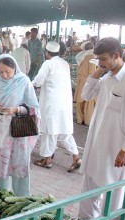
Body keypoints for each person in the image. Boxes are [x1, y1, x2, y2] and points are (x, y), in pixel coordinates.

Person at [78, 37, 125, 220]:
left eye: (103, 59)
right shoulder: (106, 78)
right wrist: (98, 71)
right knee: (89, 192)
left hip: (116, 150)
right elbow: (85, 95)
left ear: (117, 55)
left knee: (113, 198)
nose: (100, 63)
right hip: (96, 145)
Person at [0, 54, 40, 196]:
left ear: (15, 69)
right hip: (0, 129)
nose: (4, 75)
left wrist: (16, 109)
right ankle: (4, 193)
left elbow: (33, 107)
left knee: (18, 162)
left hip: (18, 129)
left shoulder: (24, 81)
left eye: (8, 72)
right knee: (2, 161)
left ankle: (22, 197)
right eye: (1, 71)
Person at [32, 41, 81, 172]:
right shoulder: (64, 63)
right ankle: (76, 157)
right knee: (64, 131)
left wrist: (30, 84)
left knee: (49, 130)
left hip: (52, 102)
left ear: (46, 53)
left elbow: (38, 81)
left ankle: (47, 159)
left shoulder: (48, 63)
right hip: (65, 102)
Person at [74, 42, 96, 126]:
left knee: (79, 101)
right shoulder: (92, 57)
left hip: (80, 81)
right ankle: (87, 120)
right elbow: (92, 72)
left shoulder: (80, 56)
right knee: (88, 102)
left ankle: (79, 119)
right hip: (88, 81)